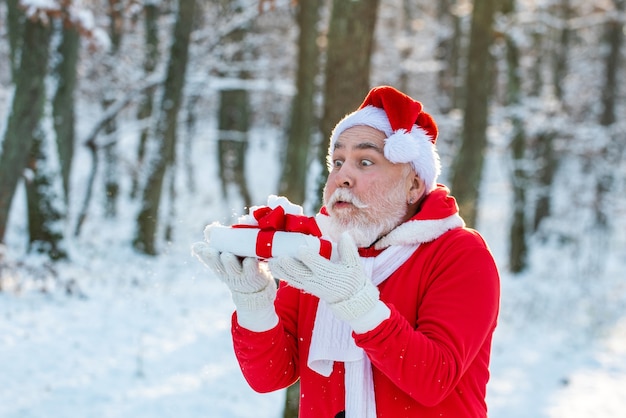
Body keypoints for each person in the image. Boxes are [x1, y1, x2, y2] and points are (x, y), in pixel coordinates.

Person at [193, 85, 500, 418]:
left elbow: (434, 379)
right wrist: (254, 302)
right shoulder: (319, 250)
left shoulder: (460, 254)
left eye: (365, 162)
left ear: (413, 185)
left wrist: (359, 304)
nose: (342, 177)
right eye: (337, 162)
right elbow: (270, 375)